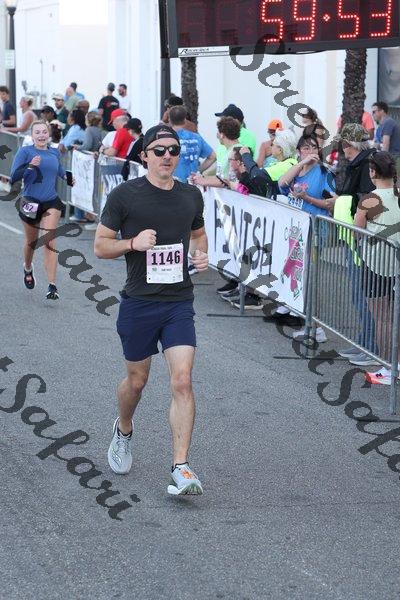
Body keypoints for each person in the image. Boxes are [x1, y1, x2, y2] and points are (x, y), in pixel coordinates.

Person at [94, 124, 208, 495]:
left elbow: (198, 235)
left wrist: (200, 254)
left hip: (178, 302)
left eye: (173, 150)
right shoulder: (125, 195)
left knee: (182, 380)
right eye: (159, 151)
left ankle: (181, 467)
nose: (167, 156)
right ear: (144, 156)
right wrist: (132, 243)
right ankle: (124, 428)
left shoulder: (190, 195)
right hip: (139, 303)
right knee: (137, 381)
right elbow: (100, 245)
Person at [277, 133, 336, 341]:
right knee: (300, 277)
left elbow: (333, 203)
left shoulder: (324, 173)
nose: (311, 152)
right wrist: (301, 163)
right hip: (296, 232)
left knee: (309, 278)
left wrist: (308, 198)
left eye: (314, 147)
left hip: (314, 231)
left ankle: (315, 327)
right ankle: (306, 321)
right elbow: (282, 183)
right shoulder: (297, 170)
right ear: (299, 151)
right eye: (306, 148)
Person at [10, 120, 72, 300]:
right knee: (32, 242)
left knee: (49, 241)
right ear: (32, 135)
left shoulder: (54, 152)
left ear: (49, 134)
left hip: (51, 201)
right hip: (30, 202)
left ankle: (52, 285)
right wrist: (30, 166)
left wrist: (67, 177)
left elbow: (58, 169)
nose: (41, 135)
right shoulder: (25, 152)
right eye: (37, 132)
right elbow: (13, 176)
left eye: (44, 132)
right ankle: (28, 267)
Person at [354, 152, 400, 385]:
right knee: (394, 318)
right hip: (396, 263)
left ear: (373, 172)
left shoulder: (369, 199)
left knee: (383, 319)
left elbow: (357, 230)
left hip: (376, 264)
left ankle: (388, 368)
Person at [169, 105, 216, 182]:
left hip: (171, 183)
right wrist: (198, 170)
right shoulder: (196, 137)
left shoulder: (166, 139)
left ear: (170, 120)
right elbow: (212, 156)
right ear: (185, 120)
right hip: (191, 182)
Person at [192, 116, 241, 187]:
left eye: (218, 132)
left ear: (222, 135)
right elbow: (220, 177)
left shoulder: (235, 152)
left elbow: (229, 181)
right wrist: (201, 178)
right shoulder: (229, 150)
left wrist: (203, 181)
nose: (217, 135)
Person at [372, 101, 400, 173]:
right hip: (390, 158)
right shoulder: (381, 126)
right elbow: (379, 144)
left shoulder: (388, 123)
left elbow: (385, 145)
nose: (372, 114)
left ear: (382, 111)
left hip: (393, 159)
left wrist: (382, 164)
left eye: (374, 112)